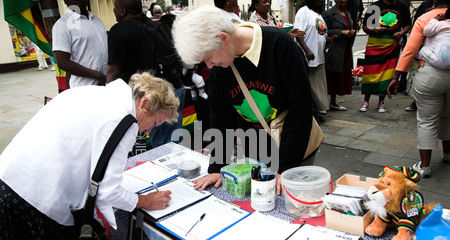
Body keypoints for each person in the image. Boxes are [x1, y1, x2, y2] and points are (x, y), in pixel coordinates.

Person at [0, 71, 178, 240]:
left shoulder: (92, 94)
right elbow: (108, 192)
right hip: (37, 202)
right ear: (144, 103)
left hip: (8, 183)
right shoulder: (124, 121)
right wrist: (146, 200)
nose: (149, 131)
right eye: (154, 122)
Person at [172, 5, 318, 195]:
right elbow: (221, 119)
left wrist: (284, 168)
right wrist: (217, 168)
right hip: (257, 148)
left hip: (294, 146)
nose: (209, 66)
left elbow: (301, 111)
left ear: (223, 39)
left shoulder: (280, 46)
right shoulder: (220, 66)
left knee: (292, 203)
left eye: (208, 58)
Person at [107, 0, 185, 151]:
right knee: (174, 144)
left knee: (159, 147)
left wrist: (109, 100)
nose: (114, 10)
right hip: (174, 89)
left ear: (122, 10)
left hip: (151, 100)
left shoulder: (118, 30)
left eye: (115, 7)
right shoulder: (153, 24)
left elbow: (114, 71)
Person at [387, 4, 450, 178]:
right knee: (448, 116)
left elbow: (410, 49)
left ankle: (424, 166)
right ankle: (447, 154)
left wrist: (396, 76)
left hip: (430, 74)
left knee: (427, 120)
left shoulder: (426, 18)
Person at [360, 0, 411, 113]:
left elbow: (408, 24)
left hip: (392, 45)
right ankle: (366, 100)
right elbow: (365, 27)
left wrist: (401, 33)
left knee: (387, 74)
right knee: (369, 73)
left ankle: (381, 102)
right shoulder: (374, 6)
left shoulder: (402, 6)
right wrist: (374, 29)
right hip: (374, 44)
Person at [294, 0, 340, 114]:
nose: (320, 1)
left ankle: (319, 109)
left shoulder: (318, 14)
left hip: (319, 57)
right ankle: (313, 111)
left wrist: (329, 39)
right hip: (308, 57)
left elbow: (321, 34)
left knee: (319, 86)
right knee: (309, 87)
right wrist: (307, 50)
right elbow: (298, 33)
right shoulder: (303, 12)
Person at [52, 0, 108, 88]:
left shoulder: (96, 20)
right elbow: (62, 62)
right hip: (84, 87)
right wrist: (98, 75)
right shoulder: (62, 25)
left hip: (105, 84)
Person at [322, 0, 356, 109]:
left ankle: (333, 101)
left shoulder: (348, 13)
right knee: (332, 76)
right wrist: (341, 32)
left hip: (345, 48)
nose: (344, 1)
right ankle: (325, 101)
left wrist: (351, 32)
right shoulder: (328, 14)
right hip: (334, 49)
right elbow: (324, 32)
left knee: (341, 75)